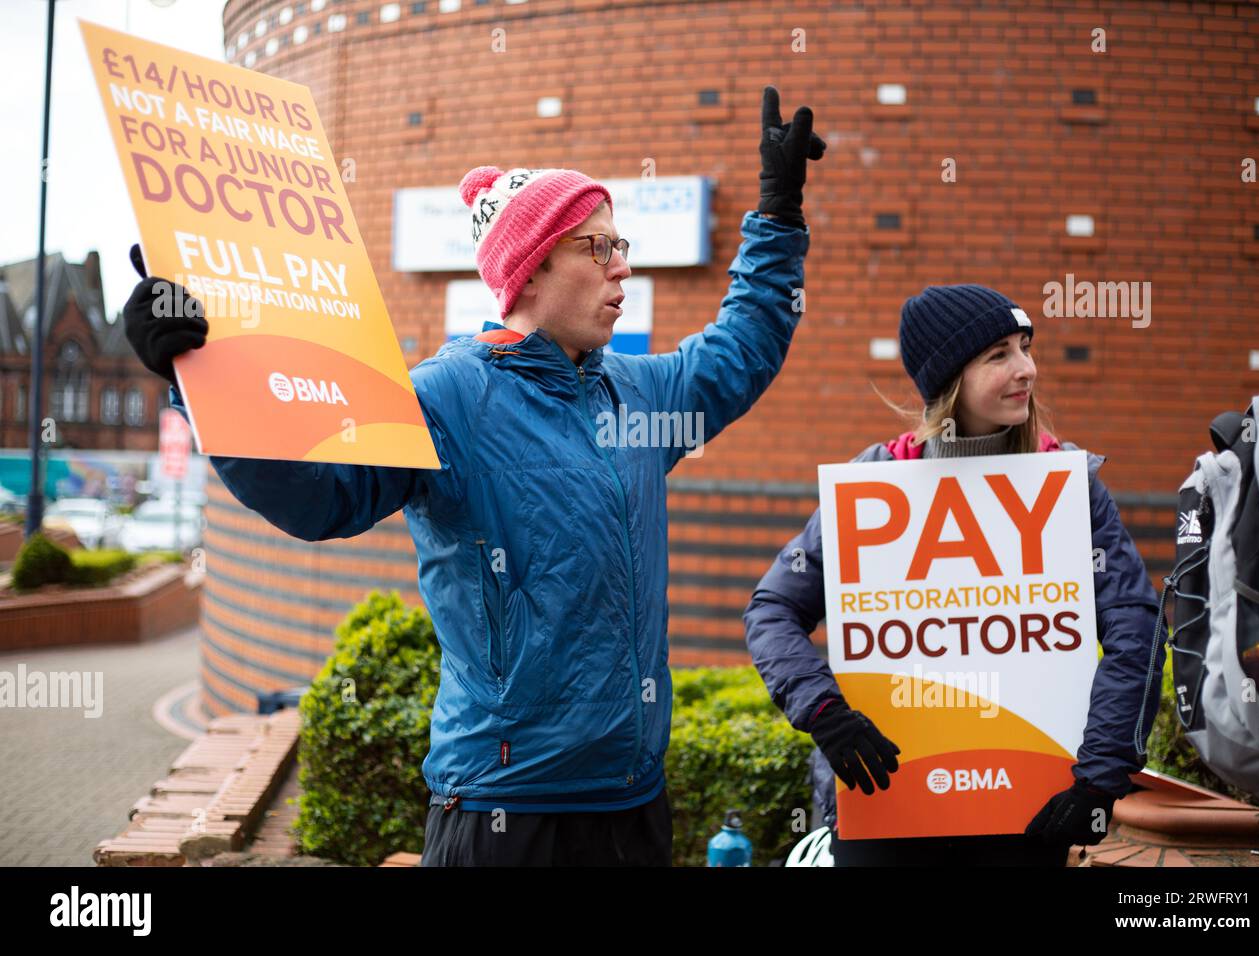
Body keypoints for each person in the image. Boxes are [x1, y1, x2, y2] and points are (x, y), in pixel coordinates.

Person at [121, 86, 825, 866]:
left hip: (632, 805)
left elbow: (742, 348)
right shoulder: (448, 394)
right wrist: (197, 376)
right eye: (599, 247)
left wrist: (778, 211)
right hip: (504, 811)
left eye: (621, 245)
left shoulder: (638, 395)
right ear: (528, 271)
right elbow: (320, 498)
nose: (623, 265)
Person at [743, 284, 1166, 866]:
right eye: (999, 355)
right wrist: (824, 711)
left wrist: (1098, 778)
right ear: (948, 382)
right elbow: (772, 608)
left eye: (1025, 347)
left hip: (1028, 814)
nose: (1026, 369)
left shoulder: (1069, 486)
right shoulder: (874, 483)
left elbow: (1135, 631)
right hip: (884, 809)